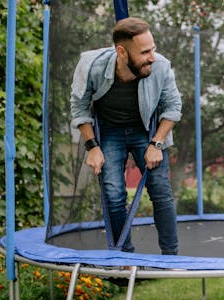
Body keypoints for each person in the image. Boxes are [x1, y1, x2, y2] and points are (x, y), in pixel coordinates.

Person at [70, 17, 182, 255]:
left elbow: (173, 108)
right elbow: (79, 108)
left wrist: (156, 144)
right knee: (113, 194)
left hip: (146, 131)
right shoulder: (91, 66)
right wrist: (92, 147)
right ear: (121, 52)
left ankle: (171, 258)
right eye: (144, 52)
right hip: (110, 131)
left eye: (152, 48)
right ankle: (124, 257)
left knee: (160, 190)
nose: (152, 57)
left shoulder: (160, 66)